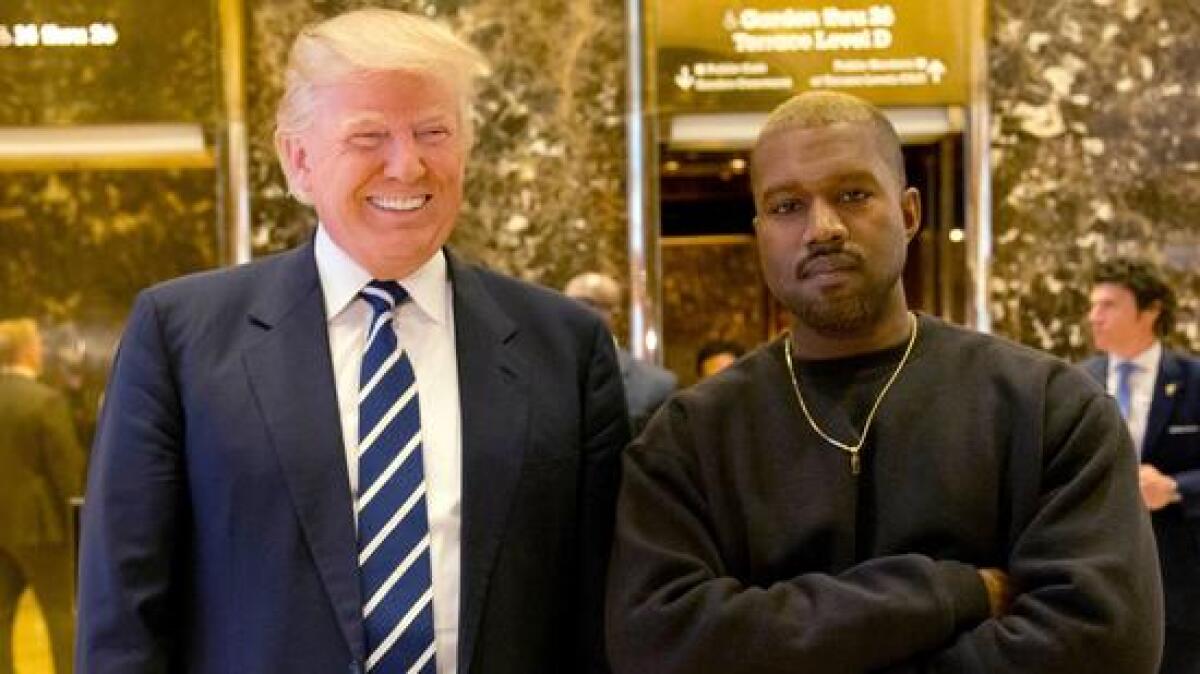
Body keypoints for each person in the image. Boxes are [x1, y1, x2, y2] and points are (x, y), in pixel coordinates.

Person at [76, 9, 628, 674]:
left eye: (434, 131)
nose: (408, 164)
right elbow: (124, 616)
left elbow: (602, 617)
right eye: (369, 136)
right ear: (298, 158)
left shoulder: (564, 350)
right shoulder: (182, 339)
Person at [606, 91, 1163, 673]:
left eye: (852, 195)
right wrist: (950, 594)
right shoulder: (690, 437)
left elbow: (1103, 644)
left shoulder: (1049, 408)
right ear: (760, 231)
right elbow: (660, 645)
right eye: (786, 206)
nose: (821, 228)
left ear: (908, 212)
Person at [1082, 258, 1200, 674]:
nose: (1094, 316)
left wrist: (1175, 487)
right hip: (1097, 570)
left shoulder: (1193, 379)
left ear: (1150, 311)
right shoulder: (1076, 381)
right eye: (1093, 304)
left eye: (1109, 305)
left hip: (1182, 575)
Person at [0, 318, 84, 674]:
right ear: (29, 352)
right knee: (59, 614)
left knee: (1, 615)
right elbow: (66, 471)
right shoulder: (45, 401)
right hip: (41, 527)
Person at [564, 272, 676, 433]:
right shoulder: (540, 373)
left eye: (590, 305)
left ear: (615, 315)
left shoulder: (655, 384)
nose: (576, 314)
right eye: (569, 305)